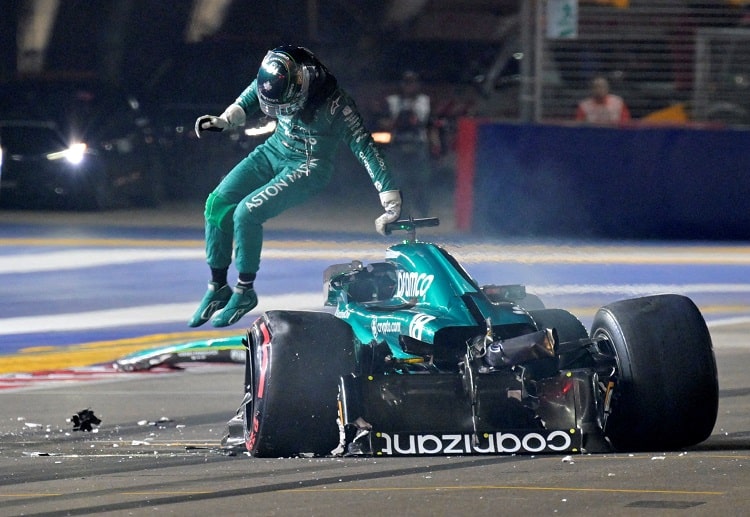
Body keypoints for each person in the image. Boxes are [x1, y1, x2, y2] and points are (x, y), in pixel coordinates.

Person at [188, 45, 401, 328]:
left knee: (245, 214)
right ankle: (218, 287)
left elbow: (366, 148)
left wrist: (390, 199)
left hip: (308, 166)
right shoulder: (281, 74)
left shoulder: (337, 106)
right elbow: (255, 92)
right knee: (216, 203)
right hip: (274, 149)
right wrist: (226, 119)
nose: (279, 111)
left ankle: (244, 290)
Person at [383, 71, 438, 217]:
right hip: (398, 145)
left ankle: (422, 211)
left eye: (412, 83)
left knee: (421, 181)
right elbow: (382, 122)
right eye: (407, 83)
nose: (409, 87)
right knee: (398, 181)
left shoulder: (424, 101)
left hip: (418, 144)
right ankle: (400, 211)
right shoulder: (393, 101)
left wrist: (434, 143)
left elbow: (430, 124)